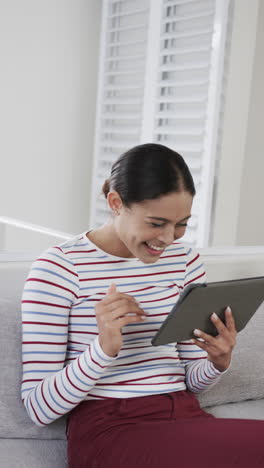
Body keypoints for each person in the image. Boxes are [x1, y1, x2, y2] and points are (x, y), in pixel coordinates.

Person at [21, 143, 264, 468]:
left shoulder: (184, 261)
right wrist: (103, 349)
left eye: (181, 224)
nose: (168, 238)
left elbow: (191, 380)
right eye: (156, 222)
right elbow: (39, 408)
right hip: (111, 428)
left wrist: (217, 362)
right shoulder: (60, 268)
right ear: (116, 203)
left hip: (184, 414)